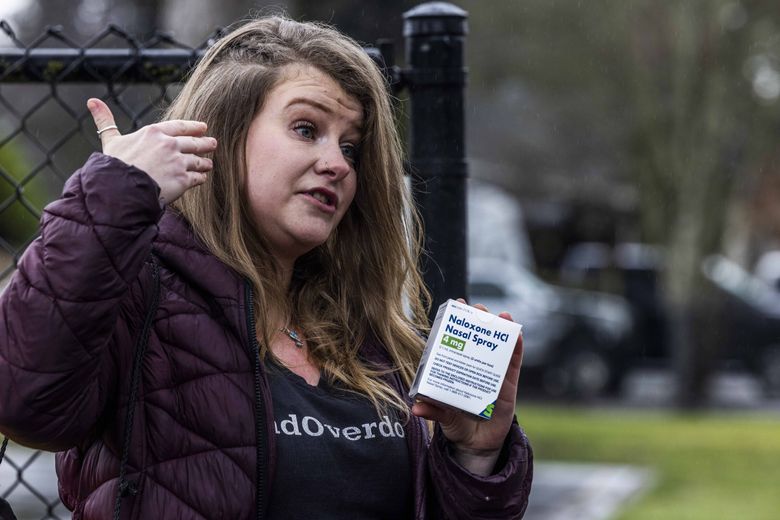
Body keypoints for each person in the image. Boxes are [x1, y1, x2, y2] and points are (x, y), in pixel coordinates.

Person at [0, 15, 532, 519]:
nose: (338, 163)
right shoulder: (140, 287)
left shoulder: (370, 331)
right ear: (223, 138)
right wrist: (111, 197)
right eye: (306, 128)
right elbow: (24, 400)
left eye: (351, 146)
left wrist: (476, 458)